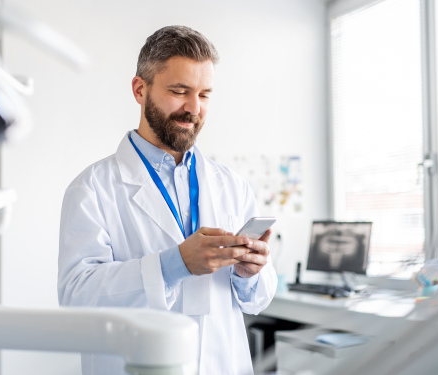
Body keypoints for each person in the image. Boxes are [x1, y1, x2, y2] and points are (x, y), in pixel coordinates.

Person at [58, 25, 277, 375]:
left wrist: (249, 272)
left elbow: (257, 300)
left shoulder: (232, 186)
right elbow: (76, 297)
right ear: (140, 90)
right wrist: (173, 265)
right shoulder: (92, 188)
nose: (194, 108)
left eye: (205, 95)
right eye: (179, 91)